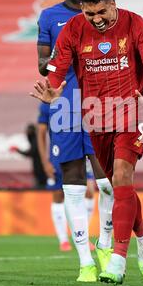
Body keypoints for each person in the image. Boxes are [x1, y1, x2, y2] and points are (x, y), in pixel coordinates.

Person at [30, 0, 143, 285]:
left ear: (113, 4)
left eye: (102, 12)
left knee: (121, 176)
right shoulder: (75, 29)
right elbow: (57, 69)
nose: (97, 20)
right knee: (119, 186)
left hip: (131, 109)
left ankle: (118, 259)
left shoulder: (135, 24)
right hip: (96, 116)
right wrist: (52, 90)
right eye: (90, 14)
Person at [36, 0, 114, 282]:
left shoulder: (101, 14)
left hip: (102, 100)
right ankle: (85, 262)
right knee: (72, 183)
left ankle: (106, 244)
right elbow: (42, 64)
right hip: (65, 102)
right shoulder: (49, 17)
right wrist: (59, 54)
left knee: (107, 182)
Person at [37, 101, 96, 252]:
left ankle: (82, 236)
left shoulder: (84, 94)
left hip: (83, 152)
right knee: (58, 195)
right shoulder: (50, 100)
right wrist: (45, 162)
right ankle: (63, 240)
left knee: (89, 192)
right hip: (59, 153)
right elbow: (41, 131)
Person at [10, 123, 47, 189]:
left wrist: (18, 150)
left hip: (40, 168)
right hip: (38, 167)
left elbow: (31, 152)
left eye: (28, 131)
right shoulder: (33, 139)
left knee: (41, 183)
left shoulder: (36, 140)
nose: (27, 132)